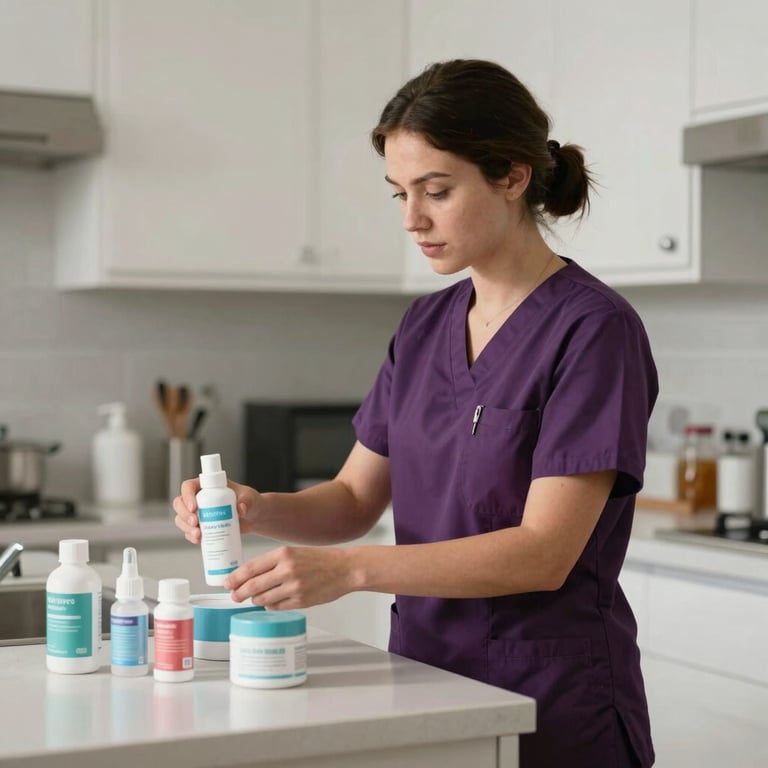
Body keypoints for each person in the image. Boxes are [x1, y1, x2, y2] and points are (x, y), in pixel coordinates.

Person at [174, 59, 657, 767]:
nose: (412, 219)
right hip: (423, 682)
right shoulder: (424, 326)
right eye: (400, 193)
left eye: (437, 190)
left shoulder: (593, 330)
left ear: (513, 176)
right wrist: (254, 508)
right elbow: (351, 499)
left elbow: (546, 552)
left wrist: (352, 573)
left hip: (549, 696)